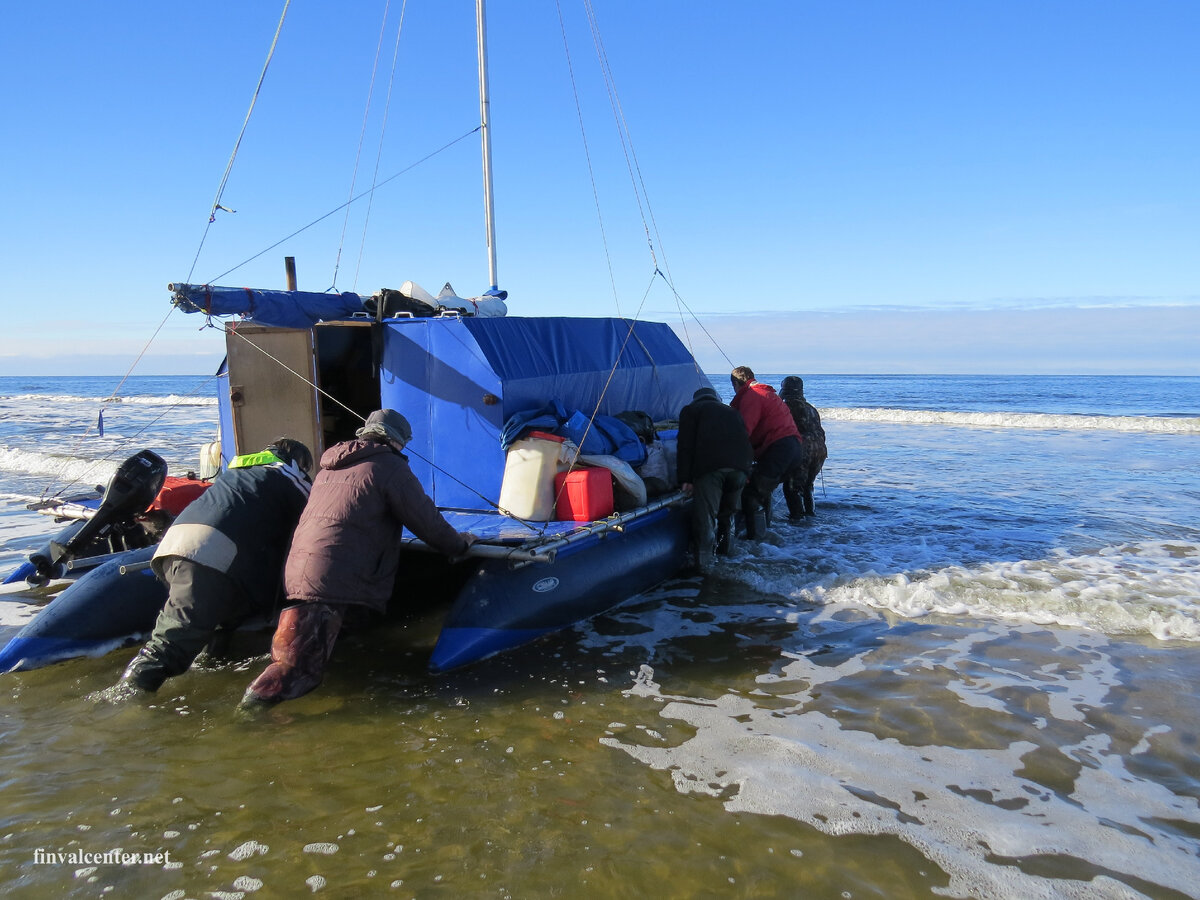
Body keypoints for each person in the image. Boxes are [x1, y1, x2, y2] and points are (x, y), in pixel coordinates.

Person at [241, 409, 476, 706]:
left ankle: (344, 689)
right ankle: (249, 715)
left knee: (320, 641)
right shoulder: (389, 467)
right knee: (295, 668)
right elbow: (426, 520)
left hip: (301, 568)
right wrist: (460, 545)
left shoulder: (329, 468)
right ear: (398, 440)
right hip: (332, 575)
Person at [114, 438, 314, 694]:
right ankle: (126, 697)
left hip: (172, 546)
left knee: (207, 622)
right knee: (171, 644)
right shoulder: (290, 477)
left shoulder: (238, 473)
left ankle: (209, 668)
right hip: (212, 555)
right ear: (298, 462)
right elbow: (315, 522)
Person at [676, 387, 753, 572]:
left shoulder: (691, 410)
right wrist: (747, 472)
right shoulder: (732, 412)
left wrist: (685, 478)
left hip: (711, 470)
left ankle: (705, 568)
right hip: (740, 470)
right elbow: (745, 440)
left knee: (706, 519)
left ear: (696, 399)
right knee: (727, 515)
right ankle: (726, 558)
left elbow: (685, 445)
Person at [729, 366, 804, 539]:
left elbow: (743, 433)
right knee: (765, 489)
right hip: (795, 449)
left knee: (752, 494)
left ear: (736, 383)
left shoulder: (752, 396)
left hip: (779, 450)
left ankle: (757, 543)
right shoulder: (769, 394)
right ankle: (773, 532)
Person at [780, 376, 828, 518]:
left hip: (802, 450)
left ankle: (797, 520)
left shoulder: (785, 408)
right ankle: (810, 515)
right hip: (820, 450)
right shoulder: (812, 409)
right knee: (808, 484)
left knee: (792, 487)